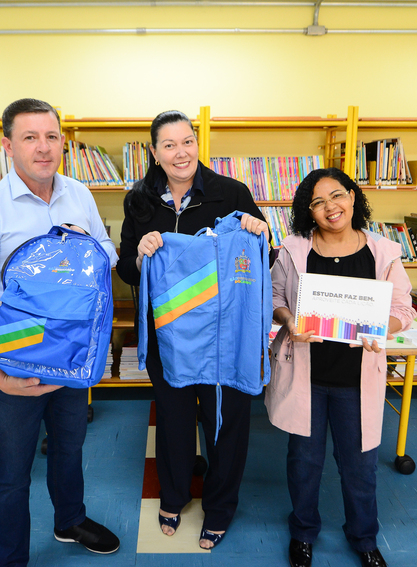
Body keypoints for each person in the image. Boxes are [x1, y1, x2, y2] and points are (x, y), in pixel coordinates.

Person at [0, 98, 120, 567]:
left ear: (62, 141)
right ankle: (10, 559)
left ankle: (69, 521)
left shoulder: (78, 194)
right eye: (29, 137)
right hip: (14, 358)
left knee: (69, 448)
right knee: (11, 471)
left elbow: (105, 252)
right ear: (8, 146)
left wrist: (86, 242)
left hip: (70, 352)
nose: (42, 148)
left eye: (51, 136)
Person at [116, 110, 271, 550]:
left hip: (227, 336)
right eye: (169, 145)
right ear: (154, 151)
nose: (180, 152)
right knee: (174, 420)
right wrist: (142, 254)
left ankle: (220, 509)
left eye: (187, 142)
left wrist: (261, 232)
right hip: (170, 336)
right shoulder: (140, 201)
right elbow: (126, 267)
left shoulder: (231, 193)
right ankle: (175, 494)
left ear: (197, 143)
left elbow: (264, 259)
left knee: (226, 422)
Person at [266, 168, 416, 567]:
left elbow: (403, 310)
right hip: (307, 378)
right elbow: (276, 296)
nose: (330, 207)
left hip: (357, 379)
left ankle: (364, 537)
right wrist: (288, 320)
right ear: (308, 212)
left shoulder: (383, 252)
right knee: (304, 462)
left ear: (352, 196)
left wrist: (385, 328)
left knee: (360, 465)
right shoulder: (295, 249)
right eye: (317, 202)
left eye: (336, 196)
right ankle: (302, 532)